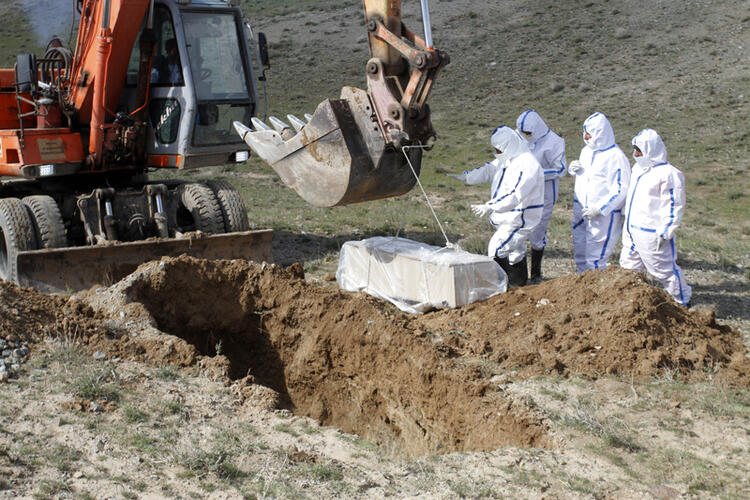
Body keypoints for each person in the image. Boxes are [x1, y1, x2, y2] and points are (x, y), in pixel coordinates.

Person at [447, 126, 544, 286]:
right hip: (508, 216)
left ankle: (501, 288)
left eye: (499, 150)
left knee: (497, 248)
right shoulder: (509, 157)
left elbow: (515, 194)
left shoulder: (528, 165)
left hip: (519, 218)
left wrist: (490, 206)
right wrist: (467, 177)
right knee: (515, 251)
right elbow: (489, 170)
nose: (496, 153)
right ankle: (518, 284)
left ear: (509, 146)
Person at [619, 129, 692, 306]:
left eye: (639, 151)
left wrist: (666, 231)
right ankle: (631, 300)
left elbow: (674, 206)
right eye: (634, 150)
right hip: (631, 229)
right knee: (628, 266)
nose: (636, 154)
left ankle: (682, 300)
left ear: (651, 150)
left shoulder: (669, 174)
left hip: (651, 233)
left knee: (663, 270)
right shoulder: (638, 169)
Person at [568, 112, 631, 272]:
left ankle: (595, 290)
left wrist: (600, 209)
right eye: (585, 133)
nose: (586, 137)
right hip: (581, 210)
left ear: (600, 133)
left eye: (590, 134)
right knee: (580, 250)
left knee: (595, 257)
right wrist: (573, 169)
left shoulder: (615, 157)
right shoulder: (586, 151)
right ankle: (582, 285)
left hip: (602, 217)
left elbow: (620, 189)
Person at [515, 109, 566, 283]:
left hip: (544, 193)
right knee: (517, 228)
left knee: (537, 231)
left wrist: (536, 173)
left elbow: (560, 169)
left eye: (528, 133)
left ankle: (535, 273)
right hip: (523, 191)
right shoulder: (522, 138)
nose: (525, 136)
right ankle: (518, 275)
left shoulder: (554, 142)